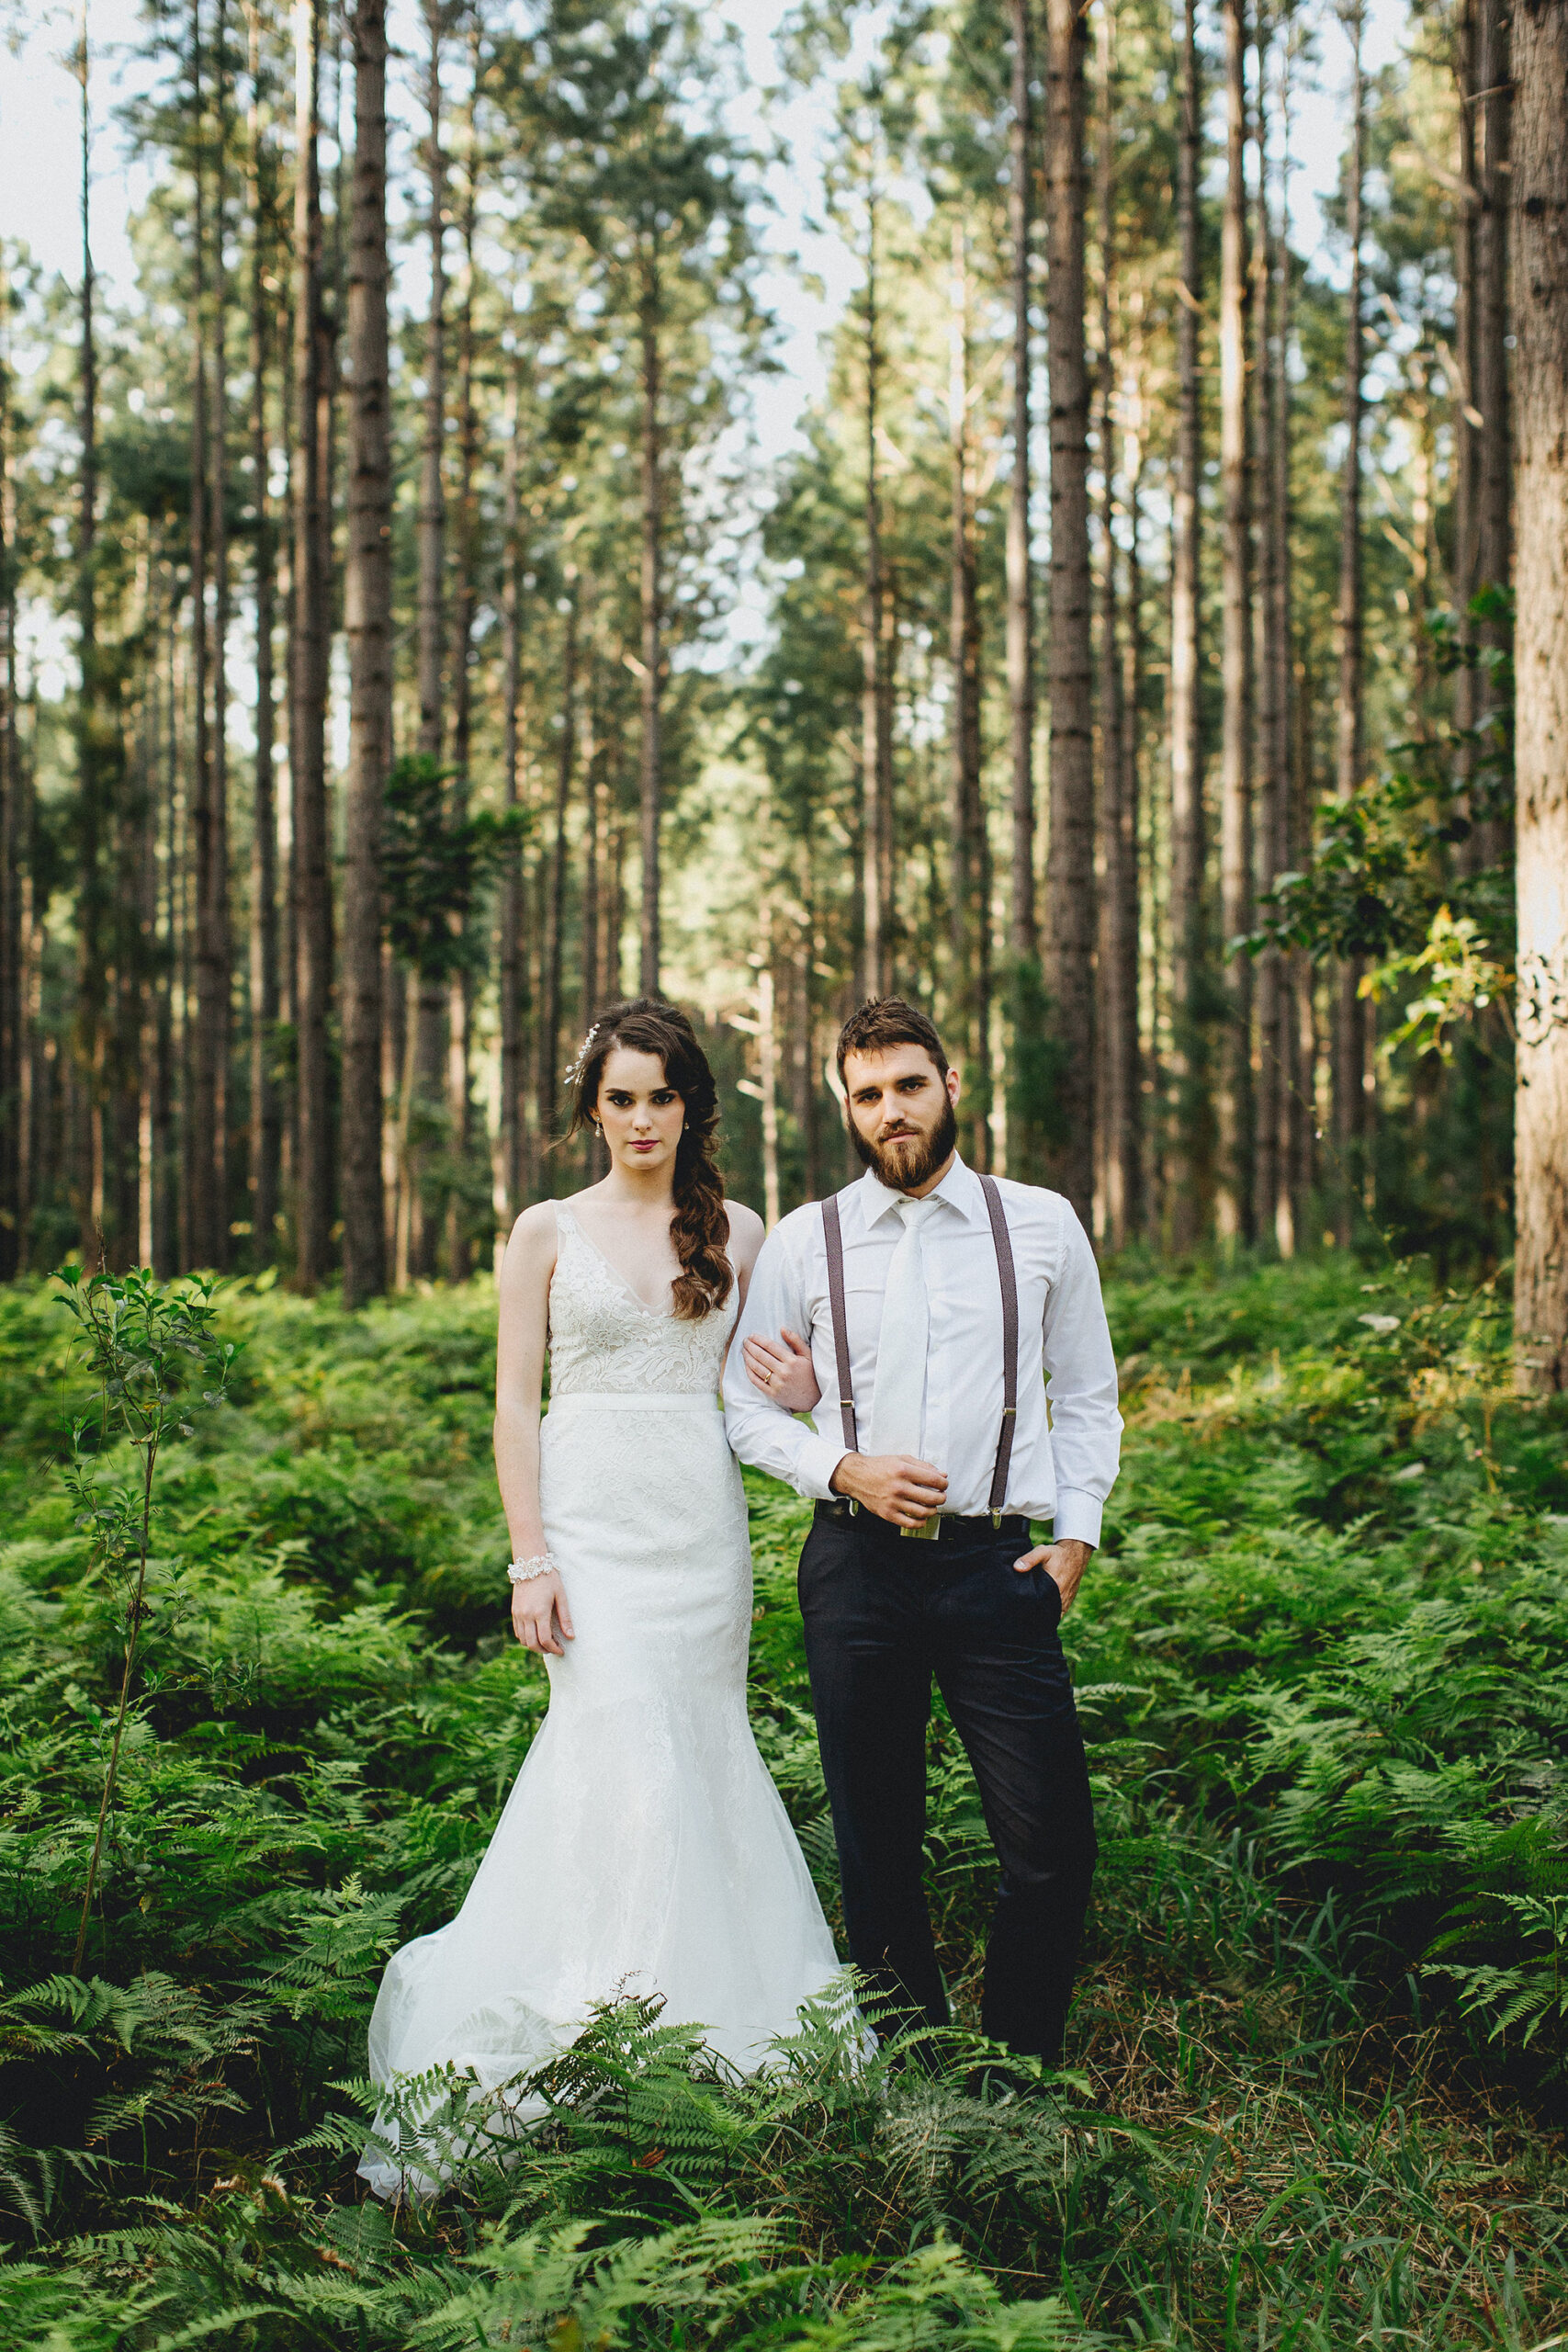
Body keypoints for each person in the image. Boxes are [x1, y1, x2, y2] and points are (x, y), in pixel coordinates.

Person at [360, 1000, 839, 2197]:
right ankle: (592, 2006)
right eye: (618, 1098)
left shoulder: (737, 1228)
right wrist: (531, 1556)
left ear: (691, 1107)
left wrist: (809, 1382)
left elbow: (761, 1391)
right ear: (591, 1108)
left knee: (696, 1749)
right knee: (611, 1742)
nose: (638, 1119)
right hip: (587, 1524)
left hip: (697, 1528)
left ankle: (698, 2020)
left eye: (659, 1097)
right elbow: (512, 1399)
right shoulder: (542, 1230)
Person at [722, 997, 1122, 2069]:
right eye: (867, 1095)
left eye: (908, 1084)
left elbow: (1087, 1392)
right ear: (845, 1110)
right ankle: (914, 2071)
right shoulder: (808, 1239)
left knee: (1052, 1845)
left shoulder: (1040, 1222)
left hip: (1000, 1563)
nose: (890, 1111)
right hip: (856, 1568)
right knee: (877, 1845)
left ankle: (1017, 2073)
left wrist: (1075, 1534)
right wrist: (840, 1462)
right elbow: (743, 1406)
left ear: (952, 1085)